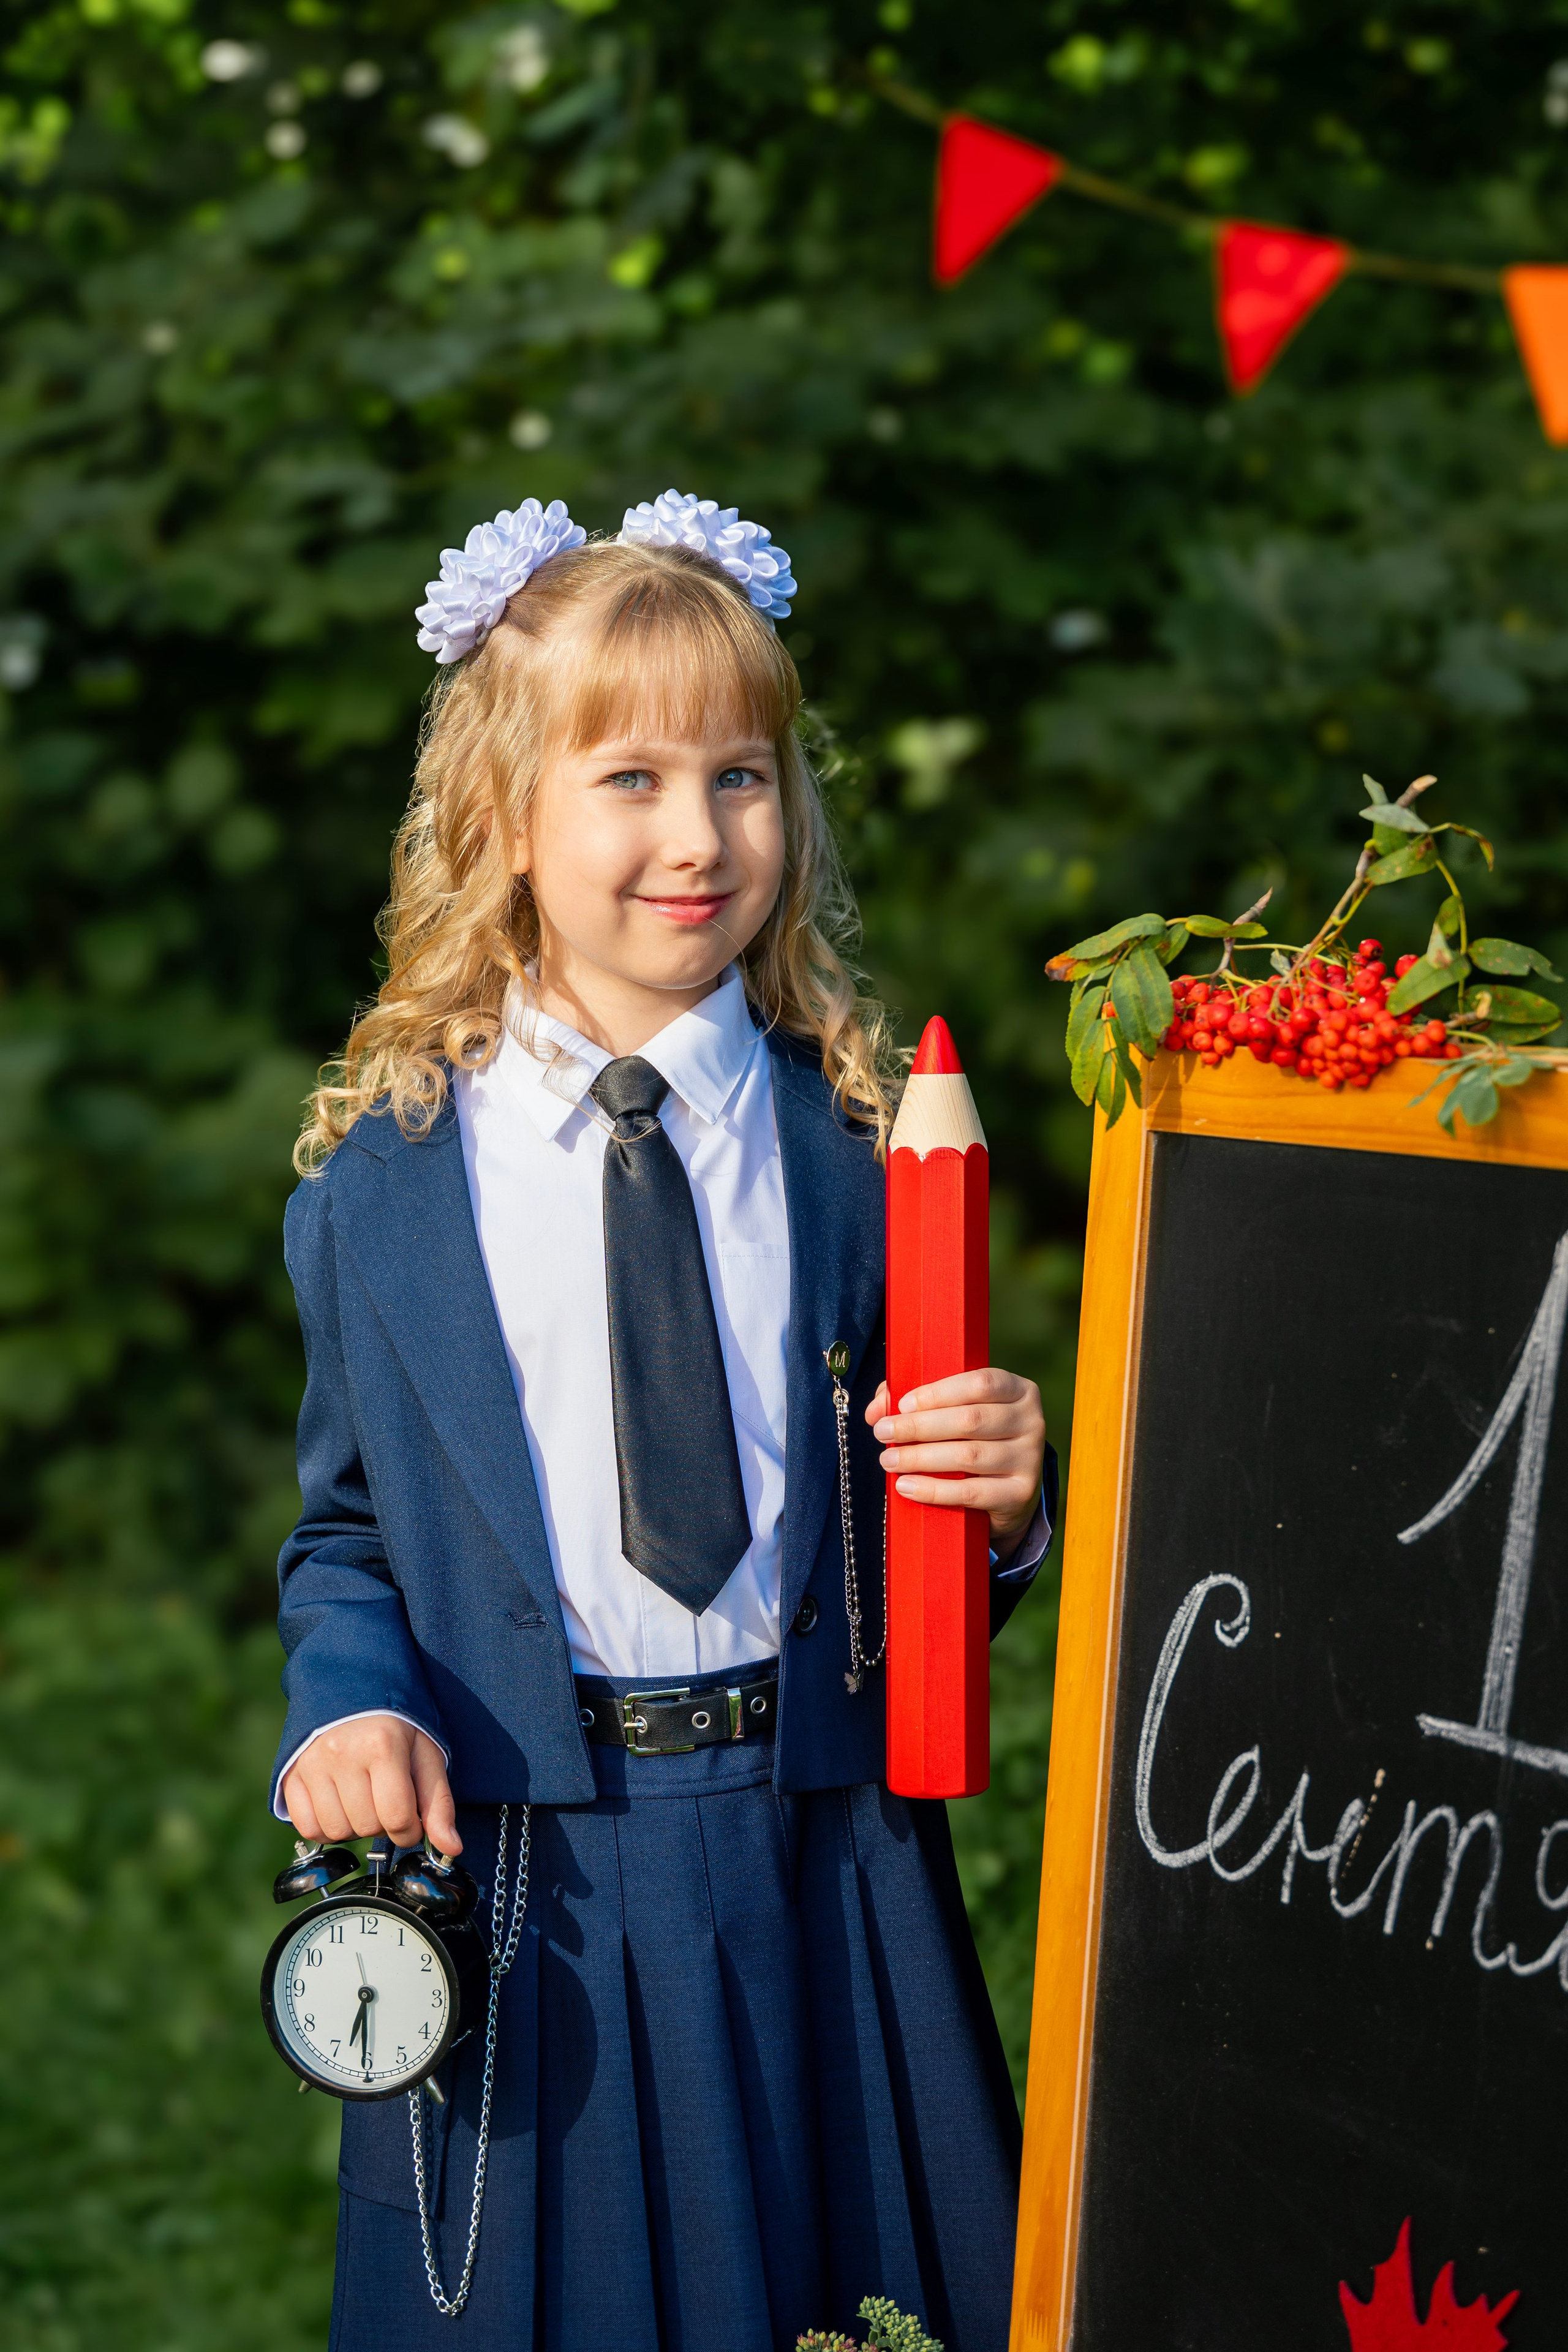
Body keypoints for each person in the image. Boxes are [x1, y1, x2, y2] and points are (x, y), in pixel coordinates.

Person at [271, 489, 1056, 2352]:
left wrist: (1003, 1505)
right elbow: (353, 1530)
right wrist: (355, 1702)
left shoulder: (865, 1163)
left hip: (822, 1854)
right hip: (536, 1873)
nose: (697, 837)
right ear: (504, 823)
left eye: (743, 776)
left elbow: (906, 1547)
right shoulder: (380, 1199)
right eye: (629, 779)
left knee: (863, 2300)